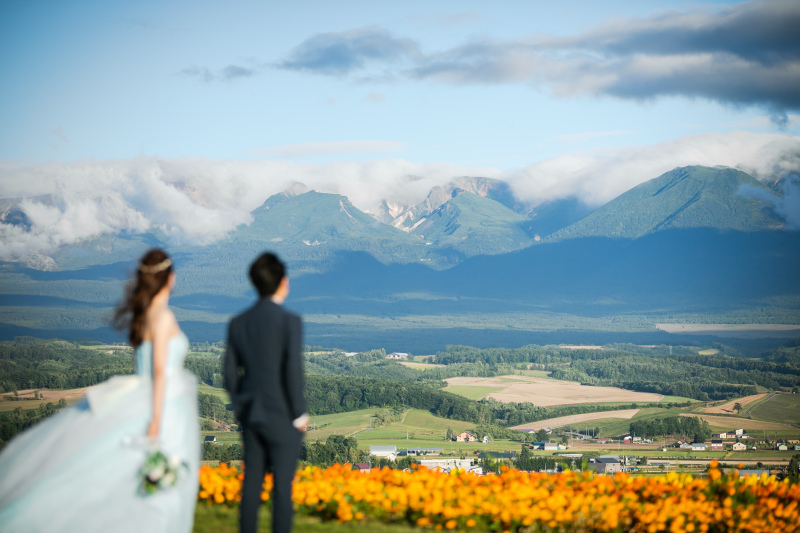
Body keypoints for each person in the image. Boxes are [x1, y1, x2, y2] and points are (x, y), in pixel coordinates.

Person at [0, 249, 199, 532]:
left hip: (142, 400)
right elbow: (158, 371)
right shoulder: (163, 316)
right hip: (163, 404)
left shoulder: (143, 315)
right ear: (170, 278)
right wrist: (156, 419)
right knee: (163, 486)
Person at [224, 252, 307, 533]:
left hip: (251, 414)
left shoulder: (238, 322)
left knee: (251, 484)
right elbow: (292, 372)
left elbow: (229, 373)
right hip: (282, 416)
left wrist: (241, 405)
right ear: (282, 281)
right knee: (282, 488)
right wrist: (299, 413)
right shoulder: (289, 321)